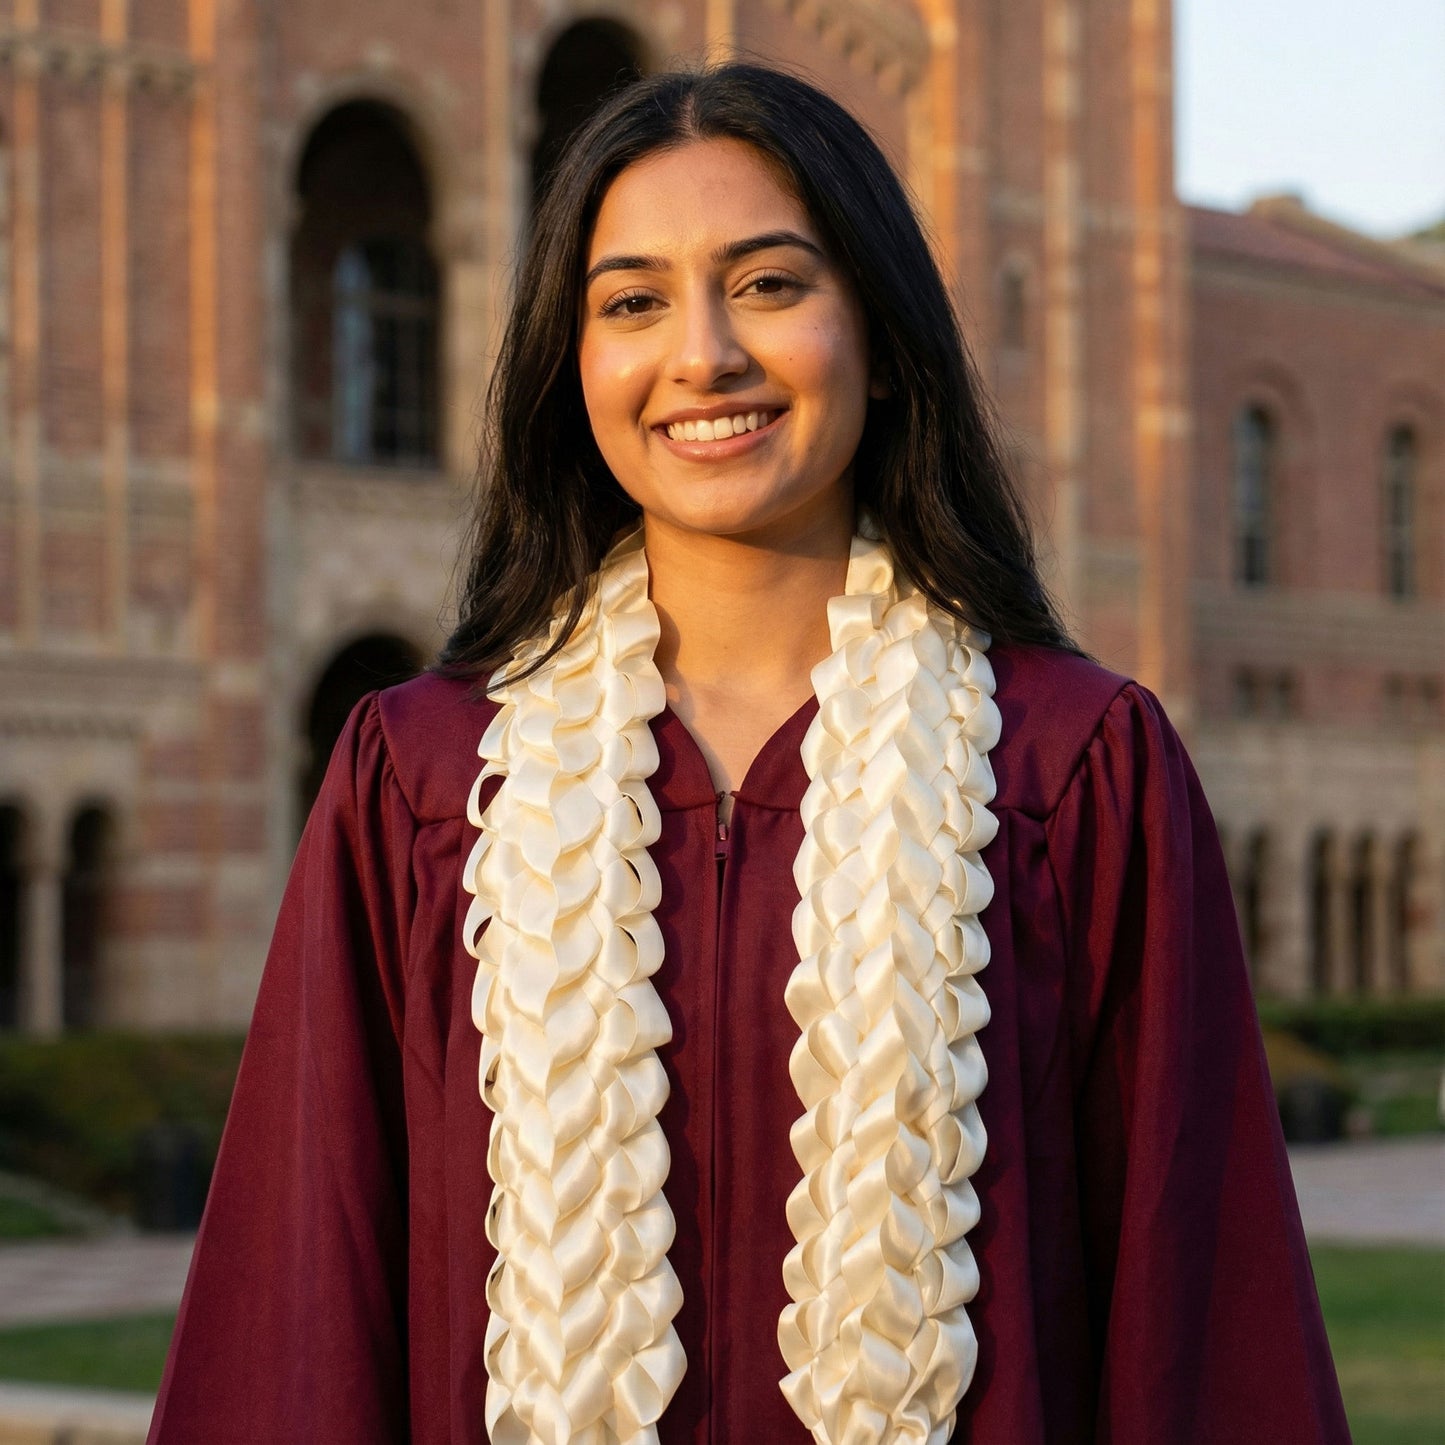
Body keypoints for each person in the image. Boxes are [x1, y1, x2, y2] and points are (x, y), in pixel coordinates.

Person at [150, 63, 1348, 1445]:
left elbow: (1197, 1328)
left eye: (771, 284)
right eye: (631, 302)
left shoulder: (1070, 772)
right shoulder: (425, 784)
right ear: (570, 362)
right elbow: (304, 1311)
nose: (703, 354)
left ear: (883, 337)